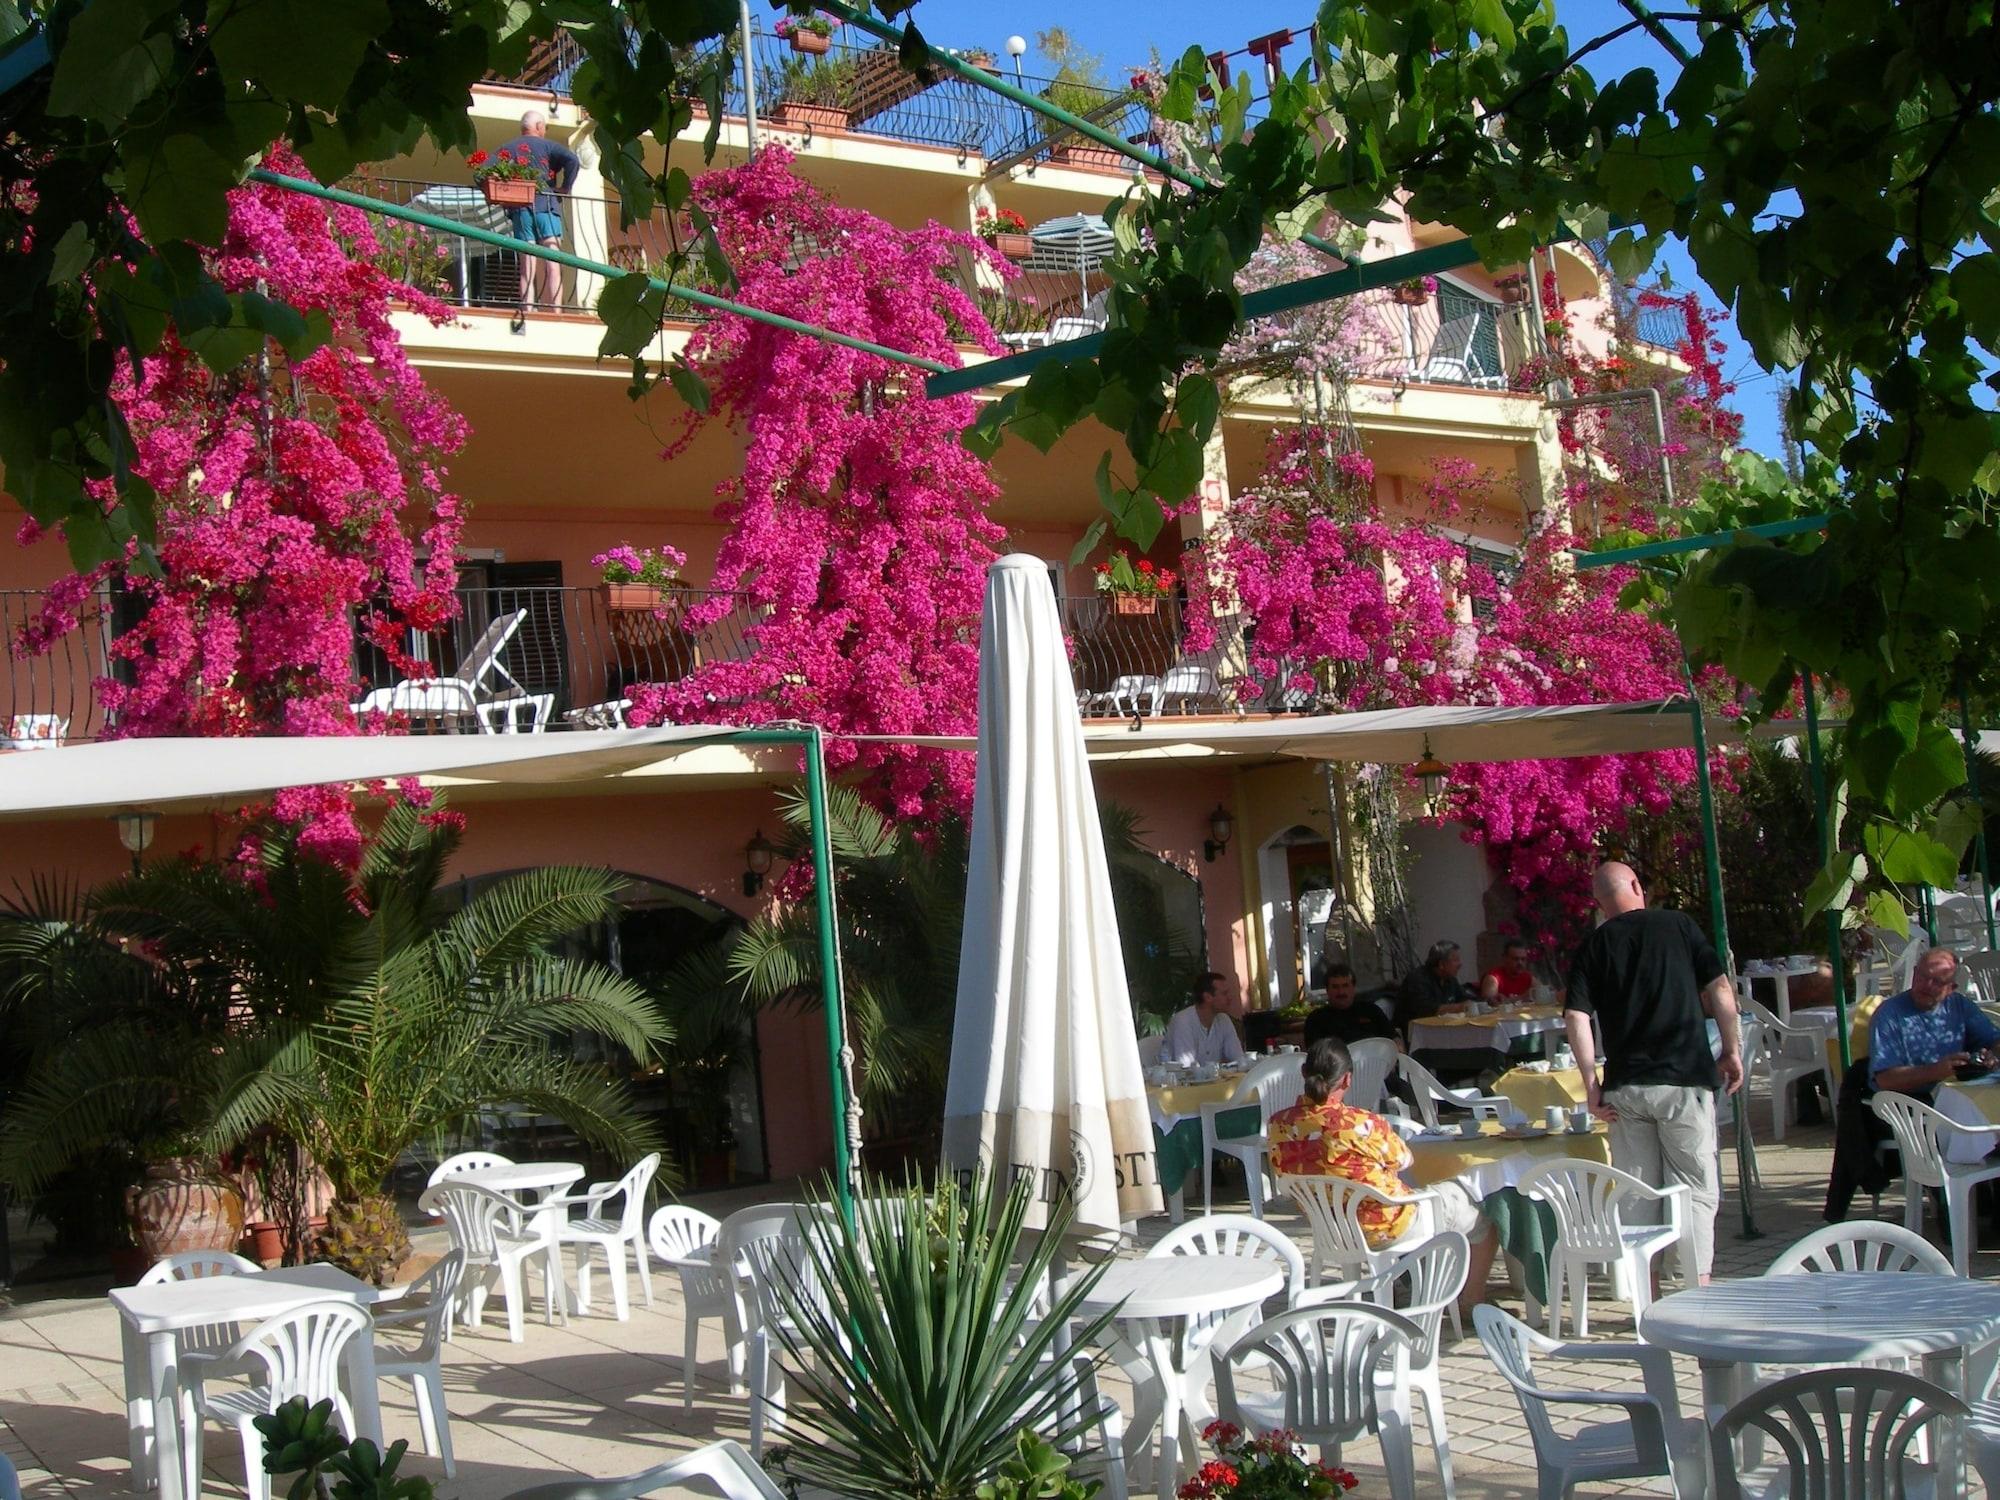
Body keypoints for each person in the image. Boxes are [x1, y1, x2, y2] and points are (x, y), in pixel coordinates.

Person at [1564, 860, 1742, 1286]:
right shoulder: (1678, 926)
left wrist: (1591, 1084)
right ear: (1637, 885)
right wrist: (1732, 1048)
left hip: (1627, 1087)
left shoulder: (1594, 945)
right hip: (1684, 1079)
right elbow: (1719, 988)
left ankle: (1651, 1295)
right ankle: (1695, 1290)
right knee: (1694, 1190)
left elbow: (1576, 1016)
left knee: (1639, 1194)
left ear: (1599, 902)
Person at [1267, 1037, 1498, 1318]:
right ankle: (1469, 1303)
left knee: (1402, 1194)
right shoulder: (1360, 1124)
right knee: (1477, 1212)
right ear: (1348, 1079)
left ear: (1304, 1074)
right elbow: (1404, 1160)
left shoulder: (1278, 1124)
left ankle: (1407, 1284)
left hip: (1332, 1229)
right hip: (1386, 1226)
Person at [1869, 947, 2000, 1097]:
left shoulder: (1959, 1005)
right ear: (1914, 974)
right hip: (1910, 1102)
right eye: (1923, 977)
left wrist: (1993, 1056)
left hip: (1956, 1094)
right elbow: (1885, 1079)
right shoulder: (1889, 1013)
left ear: (1951, 988)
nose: (1927, 985)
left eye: (1937, 982)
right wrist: (1936, 1071)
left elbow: (1995, 1040)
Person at [497, 110, 581, 333]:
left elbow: (482, 172)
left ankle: (529, 310)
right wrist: (565, 187)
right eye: (544, 127)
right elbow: (573, 160)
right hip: (546, 207)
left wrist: (501, 194)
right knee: (552, 261)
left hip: (521, 210)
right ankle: (555, 313)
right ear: (539, 126)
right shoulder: (548, 146)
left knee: (527, 264)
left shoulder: (511, 146)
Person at [1303, 963, 1397, 1048]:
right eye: (1335, 987)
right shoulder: (1316, 1019)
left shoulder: (1371, 1011)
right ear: (1327, 990)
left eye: (1345, 986)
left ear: (1353, 988)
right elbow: (1315, 1055)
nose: (1341, 992)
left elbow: (1394, 1039)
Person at [1163, 971, 1245, 1068]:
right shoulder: (1183, 1022)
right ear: (1207, 997)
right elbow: (1186, 1068)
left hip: (1214, 1081)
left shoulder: (1224, 1019)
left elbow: (1238, 1058)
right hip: (1177, 1082)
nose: (1230, 998)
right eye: (1224, 993)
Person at [1395, 939, 1472, 1029]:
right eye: (1455, 960)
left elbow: (1464, 999)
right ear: (1441, 964)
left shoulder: (1450, 979)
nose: (1460, 964)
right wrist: (1459, 1007)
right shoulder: (1417, 979)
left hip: (1442, 1028)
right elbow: (1427, 1010)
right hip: (1416, 1033)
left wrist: (1482, 1002)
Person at [1480, 939, 1536, 1004]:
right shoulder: (1494, 978)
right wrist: (1522, 997)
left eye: (1523, 959)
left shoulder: (1528, 977)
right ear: (1505, 958)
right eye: (1515, 959)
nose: (1520, 963)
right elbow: (1489, 1002)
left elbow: (1542, 990)